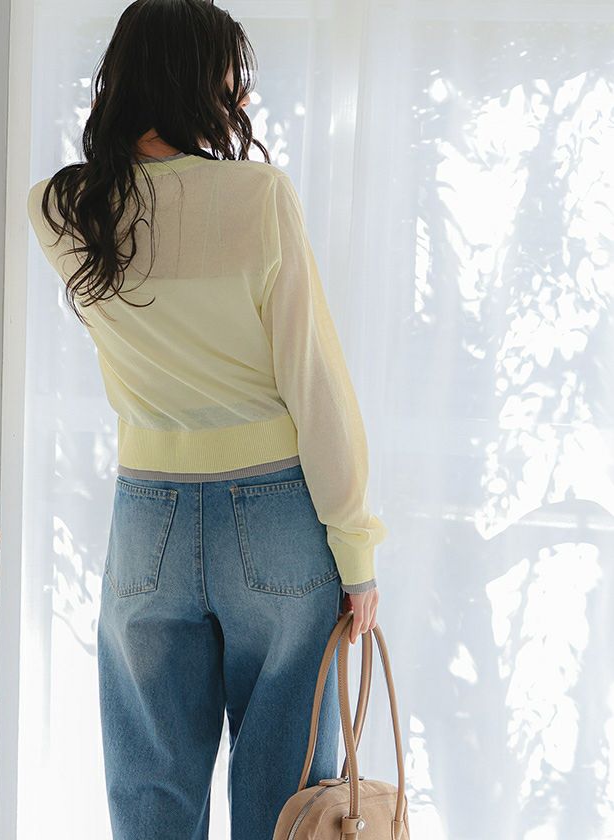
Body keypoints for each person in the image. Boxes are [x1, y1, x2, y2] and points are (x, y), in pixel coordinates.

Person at [26, 1, 388, 837]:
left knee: (150, 789)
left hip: (146, 518)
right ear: (196, 79)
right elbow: (314, 382)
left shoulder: (62, 207)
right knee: (285, 799)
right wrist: (357, 550)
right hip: (275, 516)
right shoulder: (258, 197)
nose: (241, 97)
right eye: (231, 77)